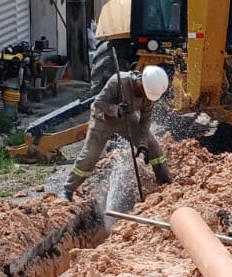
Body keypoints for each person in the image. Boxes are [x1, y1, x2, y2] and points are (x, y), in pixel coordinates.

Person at [62, 66, 173, 199]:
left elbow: (145, 122)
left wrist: (142, 144)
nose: (146, 97)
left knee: (153, 147)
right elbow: (98, 103)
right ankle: (68, 189)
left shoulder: (149, 97)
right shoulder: (118, 81)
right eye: (145, 93)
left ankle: (165, 182)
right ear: (140, 83)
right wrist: (116, 110)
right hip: (102, 119)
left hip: (127, 119)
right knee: (89, 156)